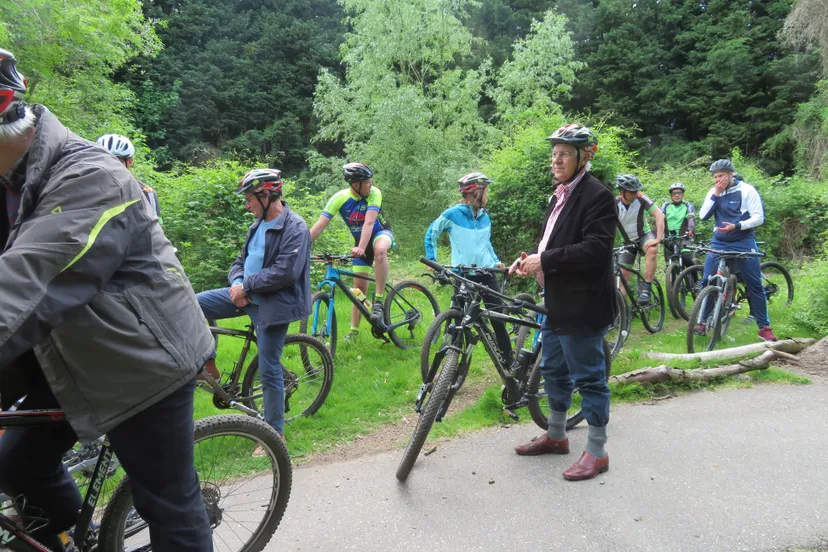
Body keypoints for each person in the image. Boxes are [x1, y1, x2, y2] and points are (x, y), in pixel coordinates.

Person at [0, 49, 214, 551]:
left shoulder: (91, 176)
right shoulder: (10, 175)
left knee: (167, 502)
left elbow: (26, 283)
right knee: (18, 466)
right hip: (67, 353)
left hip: (144, 361)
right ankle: (80, 540)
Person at [508, 123, 616, 481]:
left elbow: (596, 249)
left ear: (585, 156)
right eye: (554, 153)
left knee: (589, 379)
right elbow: (550, 244)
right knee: (553, 369)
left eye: (565, 153)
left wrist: (547, 261)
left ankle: (597, 452)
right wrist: (529, 260)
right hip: (555, 300)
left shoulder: (597, 195)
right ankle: (556, 436)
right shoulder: (560, 194)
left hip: (583, 304)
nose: (556, 159)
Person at [197, 168, 311, 439]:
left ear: (266, 195)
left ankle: (274, 435)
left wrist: (246, 286)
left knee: (268, 365)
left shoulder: (295, 227)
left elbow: (286, 272)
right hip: (244, 295)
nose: (247, 205)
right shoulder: (256, 226)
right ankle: (208, 361)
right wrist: (238, 283)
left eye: (249, 198)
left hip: (274, 303)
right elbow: (240, 262)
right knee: (191, 304)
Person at [424, 172, 513, 366]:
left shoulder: (484, 217)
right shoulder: (453, 214)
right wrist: (433, 261)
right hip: (463, 275)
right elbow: (431, 232)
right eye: (485, 191)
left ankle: (510, 363)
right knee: (459, 323)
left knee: (498, 320)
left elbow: (486, 244)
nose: (487, 196)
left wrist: (496, 261)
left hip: (487, 274)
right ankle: (452, 369)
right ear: (474, 194)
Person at [310, 162, 394, 340]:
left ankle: (378, 300)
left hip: (381, 233)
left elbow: (369, 223)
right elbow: (319, 227)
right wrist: (299, 248)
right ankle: (354, 331)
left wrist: (362, 248)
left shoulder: (374, 193)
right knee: (358, 290)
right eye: (367, 182)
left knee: (379, 250)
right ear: (356, 185)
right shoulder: (340, 198)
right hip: (360, 243)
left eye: (371, 181)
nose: (371, 184)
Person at [697, 159, 777, 342]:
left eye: (721, 176)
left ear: (731, 174)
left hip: (743, 240)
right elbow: (703, 215)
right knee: (707, 280)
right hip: (719, 242)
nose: (718, 180)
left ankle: (764, 327)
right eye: (715, 177)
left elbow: (758, 218)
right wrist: (716, 193)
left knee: (754, 283)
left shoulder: (747, 190)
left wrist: (737, 226)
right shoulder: (713, 191)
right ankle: (702, 321)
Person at [615, 174, 665, 305]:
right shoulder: (614, 204)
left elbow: (659, 214)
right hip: (627, 242)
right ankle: (620, 311)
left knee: (652, 249)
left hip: (644, 236)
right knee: (621, 277)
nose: (636, 194)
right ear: (622, 192)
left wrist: (658, 238)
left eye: (637, 190)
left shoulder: (641, 198)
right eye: (632, 192)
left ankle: (646, 288)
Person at [96, 133, 163, 224]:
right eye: (104, 160)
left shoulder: (146, 193)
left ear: (129, 162)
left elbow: (155, 230)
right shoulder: (83, 186)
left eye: (115, 161)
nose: (108, 166)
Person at [660, 182, 696, 269]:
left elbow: (691, 218)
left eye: (679, 193)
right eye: (674, 193)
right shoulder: (666, 206)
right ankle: (673, 282)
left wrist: (690, 230)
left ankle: (696, 281)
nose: (677, 195)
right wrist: (654, 235)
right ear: (671, 196)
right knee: (670, 266)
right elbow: (659, 220)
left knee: (686, 257)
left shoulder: (688, 205)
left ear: (683, 194)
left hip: (683, 237)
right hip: (668, 239)